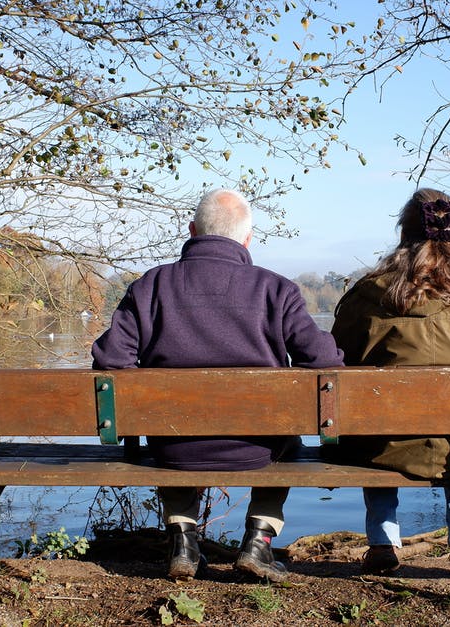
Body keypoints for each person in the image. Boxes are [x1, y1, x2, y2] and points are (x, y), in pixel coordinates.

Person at [91, 188, 344, 582]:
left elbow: (110, 361)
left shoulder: (150, 286)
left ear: (192, 230)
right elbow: (326, 363)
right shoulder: (276, 289)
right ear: (247, 238)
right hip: (260, 447)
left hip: (173, 445)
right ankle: (259, 541)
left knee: (166, 425)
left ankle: (183, 542)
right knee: (290, 442)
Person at [327, 188, 450, 576]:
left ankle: (383, 542)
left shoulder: (370, 293)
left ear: (405, 232)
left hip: (387, 447)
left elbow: (337, 365)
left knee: (374, 420)